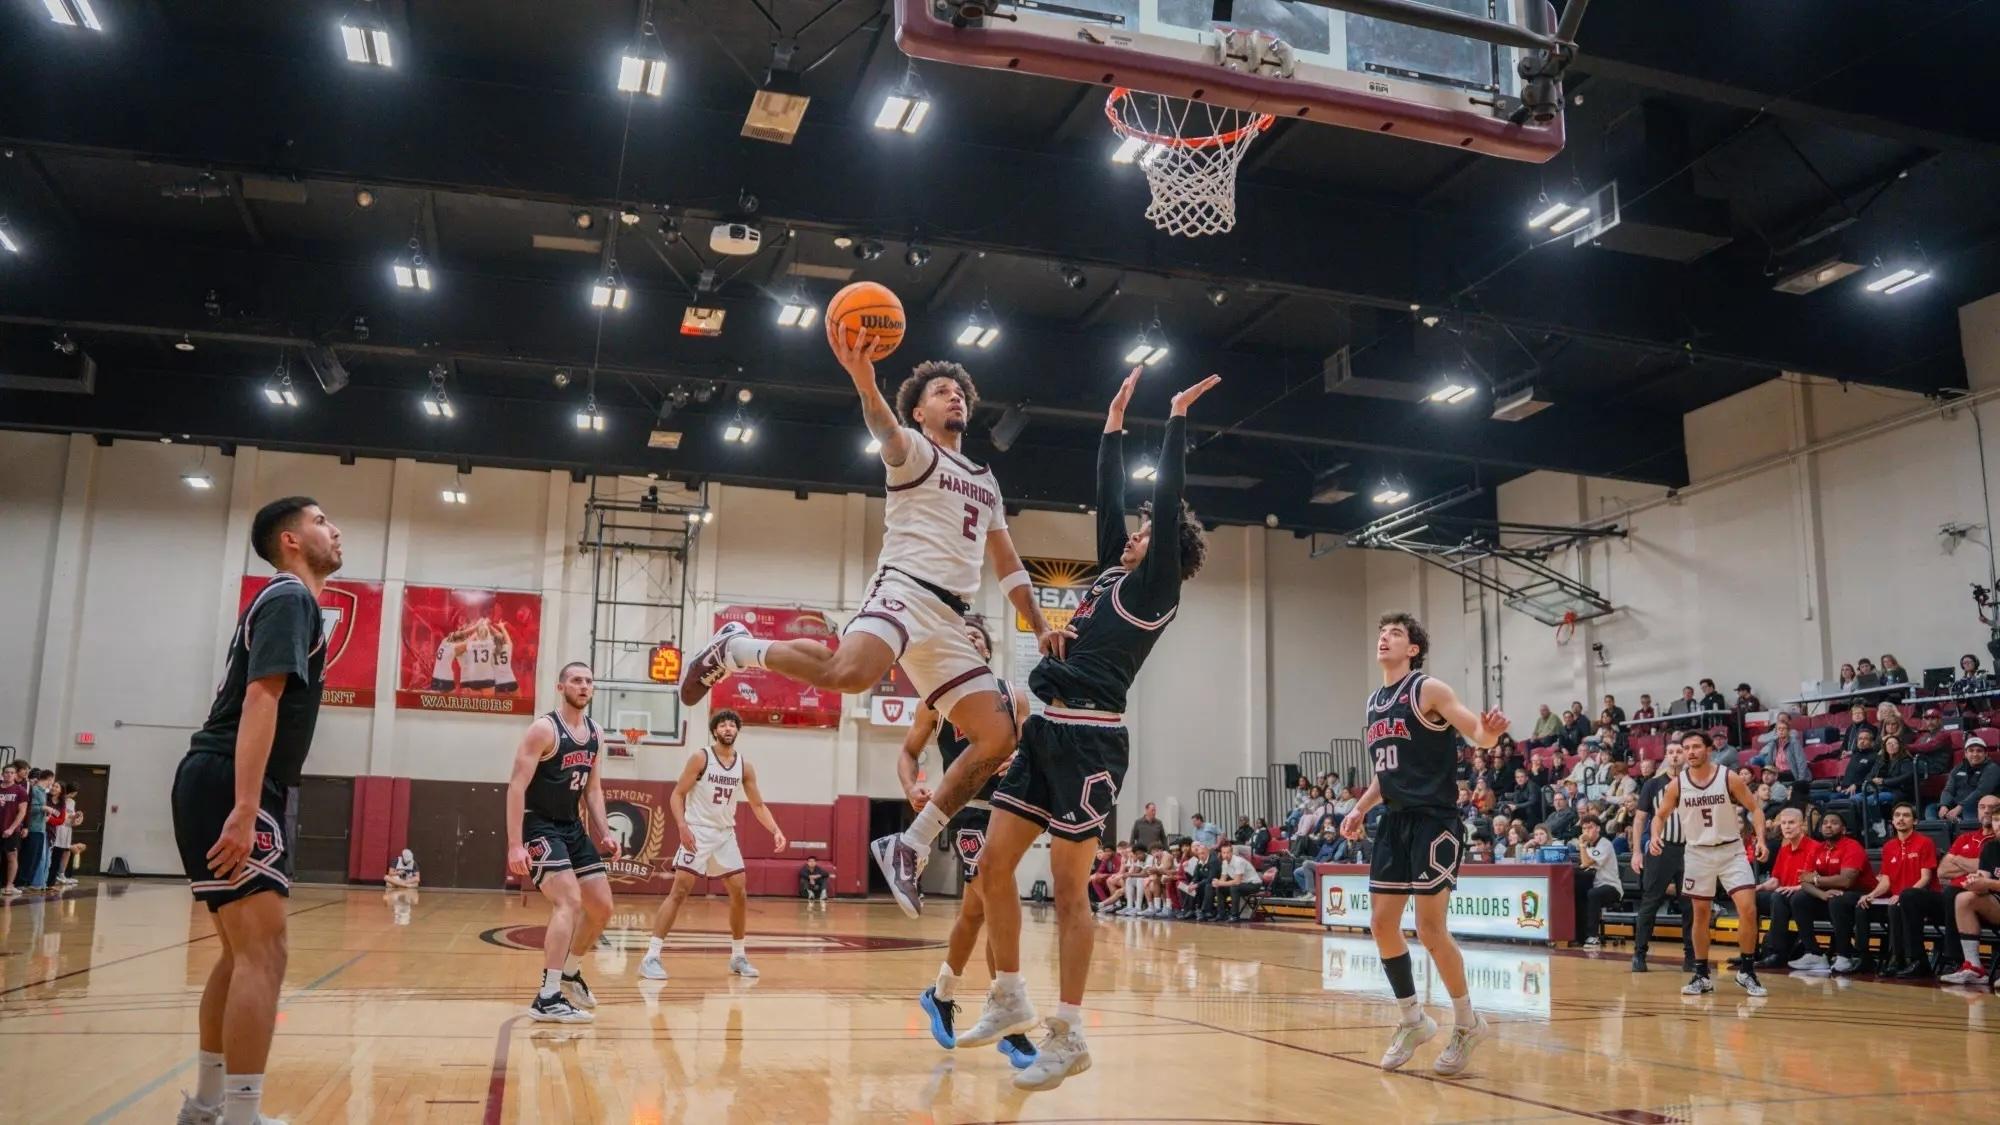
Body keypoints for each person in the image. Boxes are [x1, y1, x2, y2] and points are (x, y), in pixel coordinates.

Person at [677, 337, 1064, 919]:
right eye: (940, 391)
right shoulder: (912, 450)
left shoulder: (986, 480)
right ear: (920, 412)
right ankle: (737, 648)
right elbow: (881, 425)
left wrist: (1038, 626)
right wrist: (862, 376)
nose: (953, 395)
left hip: (952, 619)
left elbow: (1007, 565)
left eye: (959, 390)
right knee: (848, 673)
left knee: (998, 735)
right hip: (905, 588)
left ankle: (908, 845)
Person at [949, 367, 1218, 1091]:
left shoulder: (1156, 588)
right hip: (1044, 734)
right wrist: (1112, 422)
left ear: (1162, 545)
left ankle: (1068, 1032)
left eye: (1143, 530)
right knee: (991, 867)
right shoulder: (1107, 576)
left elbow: (1165, 495)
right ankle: (1010, 993)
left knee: (1071, 892)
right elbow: (1107, 496)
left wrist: (1176, 422)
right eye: (1130, 532)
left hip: (1093, 742)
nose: (1130, 533)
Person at [170, 496, 342, 1125]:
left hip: (218, 778)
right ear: (290, 540)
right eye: (322, 520)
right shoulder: (290, 597)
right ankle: (240, 1116)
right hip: (233, 781)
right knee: (264, 954)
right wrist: (246, 806)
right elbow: (261, 699)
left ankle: (209, 1106)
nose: (335, 529)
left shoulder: (286, 602)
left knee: (238, 952)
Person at [1338, 613, 1507, 1076]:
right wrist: (1360, 808)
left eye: (1394, 634)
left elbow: (1477, 732)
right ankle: (1413, 1018)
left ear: (1413, 648)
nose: (1384, 638)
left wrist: (1491, 732)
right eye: (1381, 633)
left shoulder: (1429, 689)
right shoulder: (1374, 702)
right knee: (1381, 923)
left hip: (1434, 820)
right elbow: (1385, 772)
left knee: (1431, 929)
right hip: (1393, 820)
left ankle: (1468, 1023)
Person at [897, 622, 1037, 1067]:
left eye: (980, 637)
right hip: (969, 812)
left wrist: (1024, 759)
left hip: (1011, 808)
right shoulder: (936, 699)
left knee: (976, 912)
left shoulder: (1012, 697)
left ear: (988, 651)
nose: (973, 640)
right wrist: (911, 786)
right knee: (997, 899)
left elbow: (1033, 751)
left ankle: (941, 994)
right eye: (966, 636)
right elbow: (908, 752)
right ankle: (1010, 1025)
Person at [505, 661, 618, 1023]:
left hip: (572, 827)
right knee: (568, 900)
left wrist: (604, 831)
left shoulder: (596, 733)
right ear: (561, 687)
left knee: (602, 908)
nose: (583, 685)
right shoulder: (543, 729)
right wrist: (514, 844)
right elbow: (517, 785)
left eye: (588, 681)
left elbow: (594, 789)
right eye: (575, 680)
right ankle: (547, 995)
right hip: (539, 825)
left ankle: (569, 974)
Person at [639, 709, 787, 982]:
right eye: (723, 725)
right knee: (680, 891)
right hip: (697, 830)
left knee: (740, 891)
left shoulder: (744, 765)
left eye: (732, 724)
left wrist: (775, 830)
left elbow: (757, 804)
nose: (728, 728)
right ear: (715, 731)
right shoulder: (701, 757)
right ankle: (651, 956)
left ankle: (738, 955)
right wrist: (682, 826)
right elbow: (677, 794)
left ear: (737, 731)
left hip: (724, 834)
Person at [1651, 730, 1768, 997]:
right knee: (1700, 914)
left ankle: (1747, 970)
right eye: (1685, 748)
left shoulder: (1728, 777)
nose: (1689, 752)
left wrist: (1760, 839)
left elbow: (1755, 808)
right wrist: (1655, 836)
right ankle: (1701, 974)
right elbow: (1659, 816)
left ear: (1708, 750)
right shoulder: (1677, 784)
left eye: (1695, 747)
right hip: (1698, 853)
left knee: (1748, 909)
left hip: (1730, 850)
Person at [1860, 802, 1938, 977]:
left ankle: (1916, 960)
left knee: (1902, 902)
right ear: (1892, 821)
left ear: (1915, 821)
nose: (1901, 819)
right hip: (1898, 899)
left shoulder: (1925, 842)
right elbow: (1886, 880)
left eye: (1906, 815)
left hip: (1924, 897)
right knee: (1889, 906)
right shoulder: (1889, 847)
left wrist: (1903, 894)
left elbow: (1925, 878)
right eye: (1897, 816)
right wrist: (1871, 895)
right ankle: (1896, 958)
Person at [1790, 811, 1873, 974]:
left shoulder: (1852, 846)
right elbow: (1803, 880)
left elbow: (1846, 881)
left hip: (1861, 895)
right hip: (1831, 897)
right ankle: (1813, 953)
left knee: (1838, 899)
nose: (1828, 825)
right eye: (1825, 822)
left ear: (1843, 829)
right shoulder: (1818, 848)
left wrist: (1816, 880)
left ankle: (1844, 955)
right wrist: (1822, 894)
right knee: (1799, 898)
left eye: (1834, 822)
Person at [1939, 802, 2000, 985]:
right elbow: (1983, 879)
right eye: (1996, 820)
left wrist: (1987, 883)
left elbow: (1989, 882)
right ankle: (1974, 968)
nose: (1997, 825)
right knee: (1963, 898)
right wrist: (1975, 882)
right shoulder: (1990, 848)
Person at [1753, 808, 1819, 966]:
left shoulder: (1814, 847)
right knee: (1751, 898)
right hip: (1785, 896)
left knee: (1778, 897)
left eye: (1791, 823)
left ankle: (1777, 953)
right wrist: (1759, 887)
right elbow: (1776, 880)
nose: (1787, 827)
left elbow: (1814, 879)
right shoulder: (1784, 850)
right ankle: (1751, 951)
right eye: (1783, 823)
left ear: (1802, 825)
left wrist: (1795, 888)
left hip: (1806, 897)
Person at [1575, 817, 1622, 948]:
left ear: (1598, 828)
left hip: (1611, 887)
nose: (1586, 831)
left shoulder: (1605, 844)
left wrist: (1582, 844)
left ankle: (1592, 936)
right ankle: (1579, 935)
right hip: (1594, 885)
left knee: (1593, 894)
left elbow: (1586, 863)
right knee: (1578, 892)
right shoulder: (1588, 846)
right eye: (1584, 828)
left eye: (1589, 828)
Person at [1935, 737, 1999, 828]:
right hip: (1956, 804)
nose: (1975, 754)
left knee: (1968, 810)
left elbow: (1981, 791)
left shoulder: (1992, 768)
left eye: (1979, 751)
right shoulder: (1958, 768)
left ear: (1986, 754)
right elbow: (1948, 789)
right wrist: (1944, 805)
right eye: (1971, 751)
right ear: (1965, 753)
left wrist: (1960, 807)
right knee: (1931, 809)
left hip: (1977, 804)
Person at [1210, 841, 1261, 922]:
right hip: (1242, 884)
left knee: (1234, 887)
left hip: (1254, 884)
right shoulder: (1224, 862)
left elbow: (1237, 881)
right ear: (1221, 853)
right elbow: (1223, 879)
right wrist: (1217, 882)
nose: (1226, 855)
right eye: (1223, 853)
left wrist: (1221, 883)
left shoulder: (1238, 861)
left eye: (1228, 853)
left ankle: (1234, 915)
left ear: (1232, 852)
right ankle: (1221, 914)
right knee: (1220, 888)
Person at [0, 762, 25, 896]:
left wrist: (11, 828)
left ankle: (10, 885)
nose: (9, 775)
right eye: (6, 772)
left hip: (11, 830)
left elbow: (22, 812)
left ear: (15, 775)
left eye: (11, 773)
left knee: (11, 857)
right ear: (2, 774)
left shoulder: (19, 790)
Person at [49, 781, 80, 886]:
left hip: (67, 828)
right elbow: (63, 816)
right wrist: (72, 817)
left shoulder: (72, 802)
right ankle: (52, 875)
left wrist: (77, 818)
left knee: (66, 851)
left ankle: (61, 874)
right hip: (58, 827)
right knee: (56, 851)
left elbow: (72, 817)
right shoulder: (60, 801)